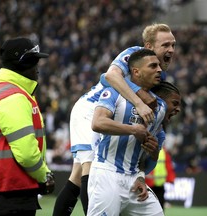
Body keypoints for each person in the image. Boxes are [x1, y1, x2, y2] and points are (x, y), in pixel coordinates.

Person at [53, 23, 176, 215]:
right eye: (166, 45)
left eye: (173, 45)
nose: (171, 50)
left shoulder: (157, 71)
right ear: (149, 46)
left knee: (76, 177)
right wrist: (139, 102)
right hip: (91, 109)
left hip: (114, 114)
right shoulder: (134, 54)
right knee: (92, 166)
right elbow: (110, 75)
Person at [87, 49, 181, 216]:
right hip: (107, 174)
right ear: (136, 71)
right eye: (153, 66)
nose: (159, 69)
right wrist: (133, 129)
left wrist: (145, 167)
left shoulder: (160, 107)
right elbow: (98, 122)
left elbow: (145, 149)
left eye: (159, 65)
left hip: (134, 181)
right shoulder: (115, 92)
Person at [0, 37, 55, 216]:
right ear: (24, 63)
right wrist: (43, 175)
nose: (38, 69)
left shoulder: (2, 92)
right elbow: (26, 153)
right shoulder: (13, 97)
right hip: (12, 188)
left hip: (6, 188)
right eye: (34, 62)